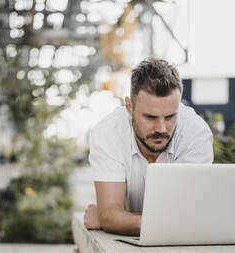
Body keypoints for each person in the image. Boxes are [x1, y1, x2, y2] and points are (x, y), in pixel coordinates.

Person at [84, 58, 214, 236]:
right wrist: (110, 218)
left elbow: (188, 217)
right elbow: (111, 216)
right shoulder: (108, 133)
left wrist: (117, 219)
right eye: (151, 117)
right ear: (129, 107)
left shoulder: (196, 134)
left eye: (169, 117)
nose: (161, 129)